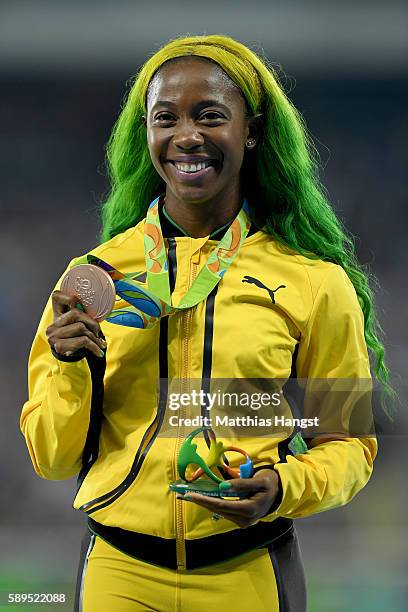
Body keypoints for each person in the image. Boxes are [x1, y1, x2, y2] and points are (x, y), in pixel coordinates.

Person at [20, 34, 391, 611]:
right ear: (145, 134)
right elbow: (53, 458)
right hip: (121, 572)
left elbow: (348, 444)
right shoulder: (93, 278)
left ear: (252, 131)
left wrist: (282, 488)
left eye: (210, 115)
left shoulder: (313, 283)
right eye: (165, 117)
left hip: (247, 570)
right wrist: (68, 368)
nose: (186, 135)